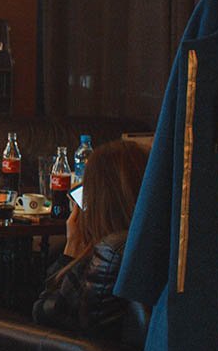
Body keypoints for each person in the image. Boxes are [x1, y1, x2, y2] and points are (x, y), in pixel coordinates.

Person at [32, 138, 150, 337]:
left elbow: (44, 315)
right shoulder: (152, 241)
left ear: (97, 199)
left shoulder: (106, 255)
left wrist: (70, 249)